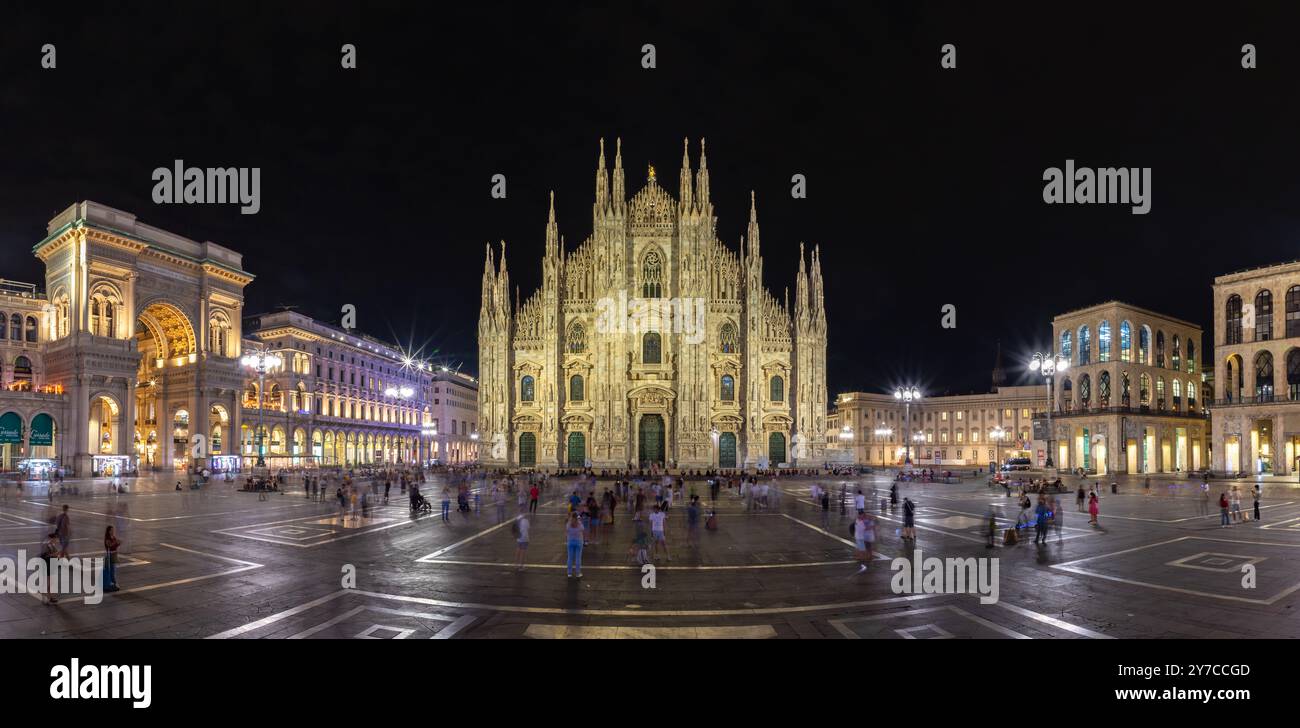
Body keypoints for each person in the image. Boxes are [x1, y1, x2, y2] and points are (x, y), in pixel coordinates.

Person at [41, 532, 61, 604]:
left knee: (50, 582)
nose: (57, 540)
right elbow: (45, 556)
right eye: (56, 538)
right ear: (52, 538)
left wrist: (57, 556)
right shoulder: (47, 545)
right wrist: (56, 554)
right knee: (49, 582)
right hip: (48, 564)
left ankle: (49, 597)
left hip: (51, 564)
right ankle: (47, 598)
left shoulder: (52, 544)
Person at [564, 512, 584, 578]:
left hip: (570, 541)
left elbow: (566, 532)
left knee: (570, 557)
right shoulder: (579, 524)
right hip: (578, 541)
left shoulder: (568, 524)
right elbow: (582, 529)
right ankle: (578, 573)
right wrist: (579, 520)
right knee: (578, 558)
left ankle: (569, 573)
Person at [103, 525, 121, 592]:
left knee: (113, 570)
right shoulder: (107, 538)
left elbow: (115, 545)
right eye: (111, 530)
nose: (113, 531)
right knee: (111, 570)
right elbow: (109, 545)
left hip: (114, 554)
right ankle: (113, 584)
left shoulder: (113, 537)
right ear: (109, 531)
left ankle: (113, 584)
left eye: (113, 530)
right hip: (110, 555)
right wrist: (115, 542)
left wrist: (118, 543)